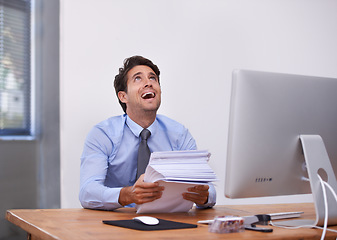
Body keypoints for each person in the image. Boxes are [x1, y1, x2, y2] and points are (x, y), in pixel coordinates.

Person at [79, 55, 216, 210]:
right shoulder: (103, 134)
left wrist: (204, 197)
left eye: (153, 78)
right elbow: (87, 192)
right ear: (123, 96)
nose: (148, 83)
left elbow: (208, 188)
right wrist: (127, 195)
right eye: (138, 79)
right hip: (117, 222)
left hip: (168, 221)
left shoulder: (179, 135)